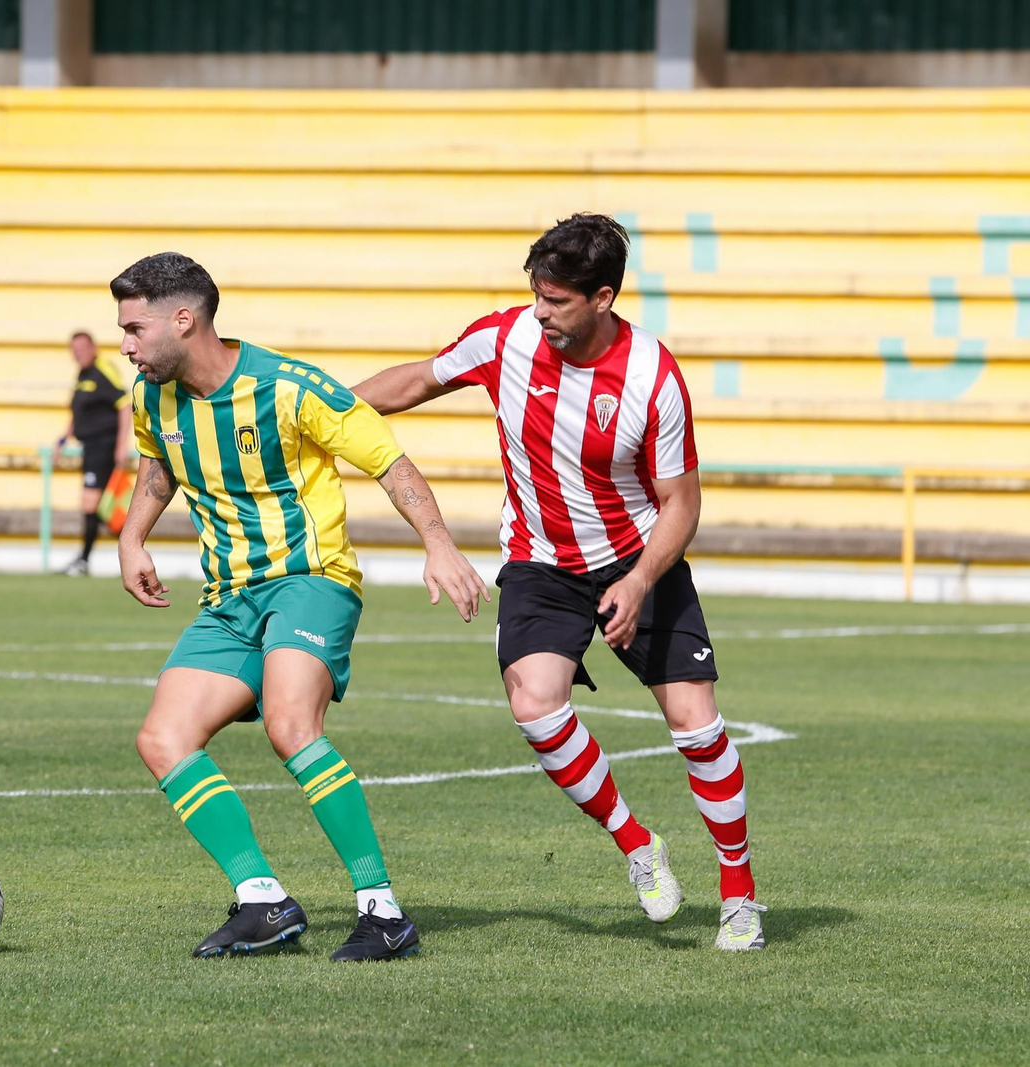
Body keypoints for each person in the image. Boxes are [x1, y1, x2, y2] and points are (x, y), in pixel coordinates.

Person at [351, 213, 765, 951]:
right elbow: (416, 379)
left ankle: (739, 892)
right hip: (541, 562)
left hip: (639, 559)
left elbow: (683, 503)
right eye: (536, 295)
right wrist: (316, 414)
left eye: (557, 300)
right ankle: (637, 844)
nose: (540, 312)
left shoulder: (652, 378)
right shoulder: (506, 337)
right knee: (535, 705)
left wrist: (638, 583)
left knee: (697, 725)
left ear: (602, 298)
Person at [112, 252, 489, 962]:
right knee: (162, 739)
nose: (125, 344)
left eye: (134, 328)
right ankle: (264, 901)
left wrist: (438, 542)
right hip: (228, 597)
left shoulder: (289, 387)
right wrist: (133, 533)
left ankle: (382, 911)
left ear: (184, 319)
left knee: (290, 723)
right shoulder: (150, 397)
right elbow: (157, 463)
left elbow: (391, 462)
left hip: (310, 578)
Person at [54, 330, 133, 575]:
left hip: (104, 444)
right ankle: (129, 553)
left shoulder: (103, 370)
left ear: (94, 348)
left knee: (91, 503)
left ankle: (85, 560)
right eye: (74, 350)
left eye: (83, 349)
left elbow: (125, 405)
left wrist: (121, 445)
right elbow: (78, 413)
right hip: (90, 447)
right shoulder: (82, 375)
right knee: (101, 507)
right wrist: (62, 441)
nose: (79, 354)